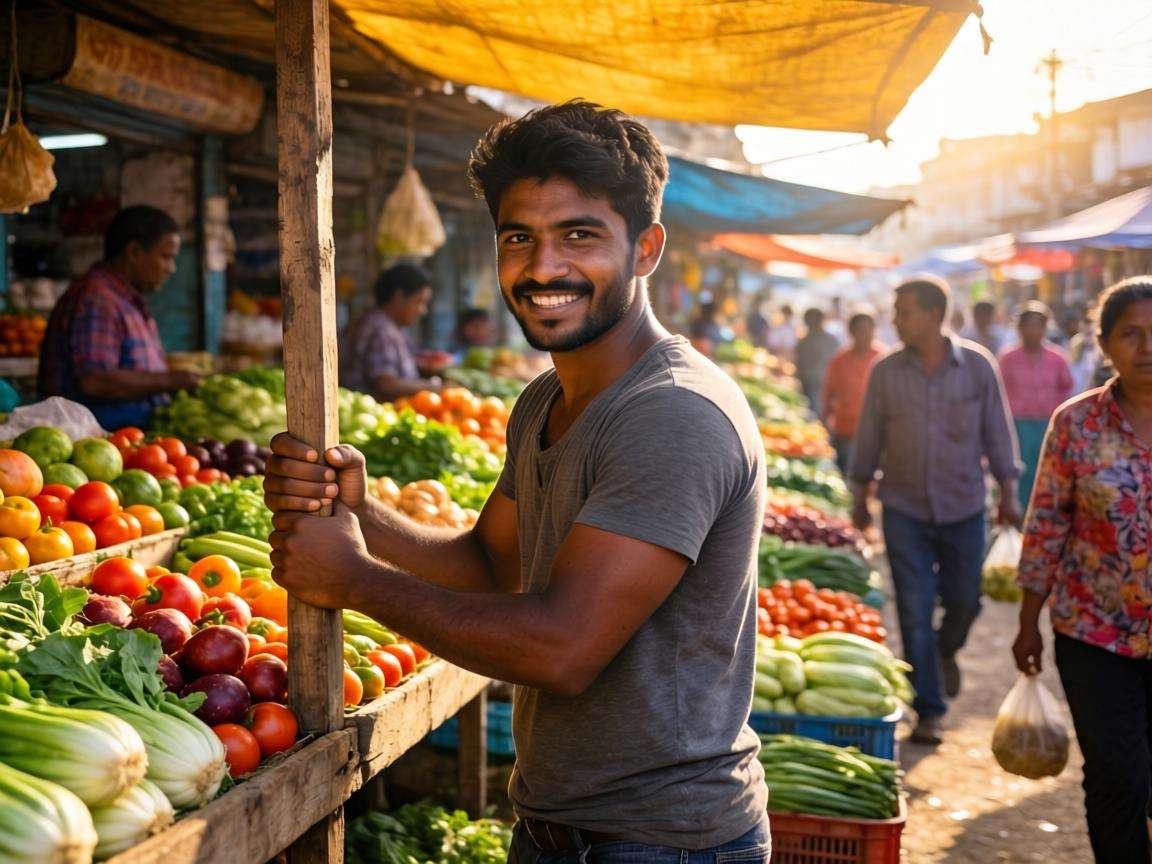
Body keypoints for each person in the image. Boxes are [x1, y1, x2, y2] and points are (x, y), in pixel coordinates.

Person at [264, 101, 771, 861]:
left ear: (646, 249)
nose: (542, 268)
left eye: (579, 235)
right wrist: (365, 513)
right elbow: (492, 567)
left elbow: (562, 650)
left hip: (661, 843)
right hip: (560, 827)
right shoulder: (547, 398)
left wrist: (357, 583)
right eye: (518, 238)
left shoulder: (672, 414)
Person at [1012, 278, 1152, 864]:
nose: (1147, 346)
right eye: (1131, 334)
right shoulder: (1076, 424)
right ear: (1105, 344)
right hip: (1095, 634)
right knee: (1118, 776)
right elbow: (1046, 523)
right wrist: (1027, 622)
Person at [850, 277, 1021, 745]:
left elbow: (998, 432)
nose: (896, 321)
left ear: (933, 314)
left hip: (966, 506)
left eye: (903, 312)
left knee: (966, 600)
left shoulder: (977, 368)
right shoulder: (887, 372)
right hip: (904, 509)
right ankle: (929, 708)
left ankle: (944, 652)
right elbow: (869, 436)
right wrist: (859, 494)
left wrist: (1009, 491)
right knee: (913, 607)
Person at [37, 205, 200, 429]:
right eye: (166, 257)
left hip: (132, 440)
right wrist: (171, 380)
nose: (171, 268)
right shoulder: (97, 298)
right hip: (98, 442)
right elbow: (94, 381)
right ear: (133, 252)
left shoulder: (125, 298)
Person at [997, 302, 1073, 510]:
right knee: (1019, 472)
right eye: (1029, 325)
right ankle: (1018, 514)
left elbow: (1066, 389)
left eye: (1039, 325)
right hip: (1016, 426)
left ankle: (1043, 515)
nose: (1034, 330)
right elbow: (997, 394)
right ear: (1019, 328)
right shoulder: (1007, 358)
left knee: (1048, 471)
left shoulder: (1057, 358)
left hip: (1049, 426)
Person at [339, 263, 441, 401]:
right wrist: (433, 387)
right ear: (398, 297)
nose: (422, 310)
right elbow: (386, 384)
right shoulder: (380, 328)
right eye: (419, 302)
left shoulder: (389, 325)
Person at [821, 312, 882, 473]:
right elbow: (829, 394)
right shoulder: (840, 360)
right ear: (851, 332)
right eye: (860, 330)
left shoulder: (883, 360)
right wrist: (824, 424)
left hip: (874, 435)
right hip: (845, 430)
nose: (865, 334)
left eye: (868, 330)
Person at [794, 307, 840, 415]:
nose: (812, 323)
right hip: (808, 385)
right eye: (810, 320)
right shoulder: (803, 342)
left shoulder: (831, 340)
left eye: (815, 319)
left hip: (827, 386)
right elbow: (799, 365)